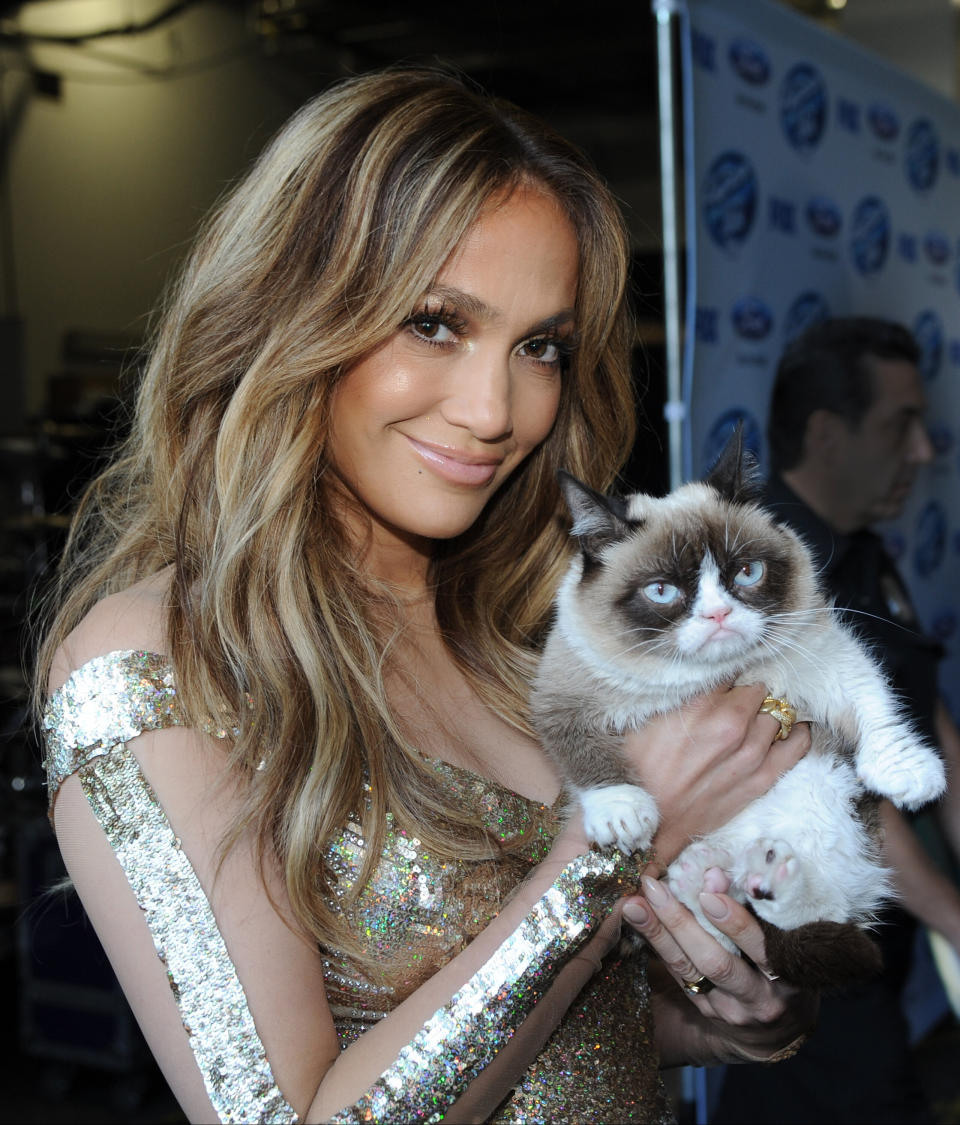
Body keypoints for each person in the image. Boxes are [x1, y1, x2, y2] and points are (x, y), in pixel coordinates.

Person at [37, 68, 816, 1124]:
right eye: (436, 324)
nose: (496, 410)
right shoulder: (152, 666)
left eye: (539, 346)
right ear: (295, 310)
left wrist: (722, 1023)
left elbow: (554, 1038)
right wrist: (622, 840)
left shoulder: (532, 626)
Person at [714, 316, 960, 1124]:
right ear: (827, 432)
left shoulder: (863, 550)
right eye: (900, 425)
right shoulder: (761, 583)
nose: (923, 451)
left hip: (880, 955)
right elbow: (822, 777)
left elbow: (926, 723)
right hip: (801, 963)